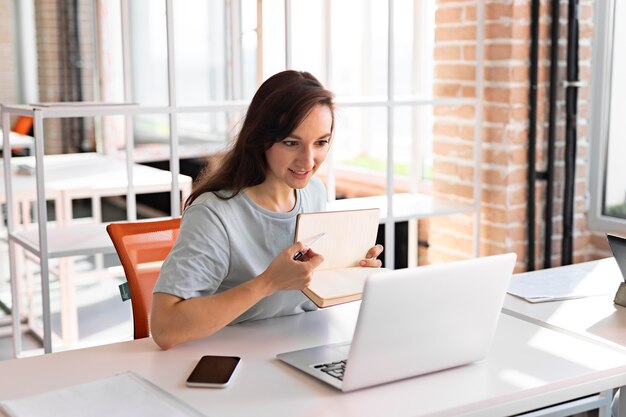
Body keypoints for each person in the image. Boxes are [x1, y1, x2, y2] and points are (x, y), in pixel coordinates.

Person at [150, 70, 383, 350]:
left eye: (321, 143)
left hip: (302, 345)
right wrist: (268, 283)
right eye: (291, 143)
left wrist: (348, 270)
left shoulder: (313, 192)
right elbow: (165, 328)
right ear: (261, 139)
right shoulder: (214, 215)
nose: (308, 160)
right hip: (233, 357)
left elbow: (308, 287)